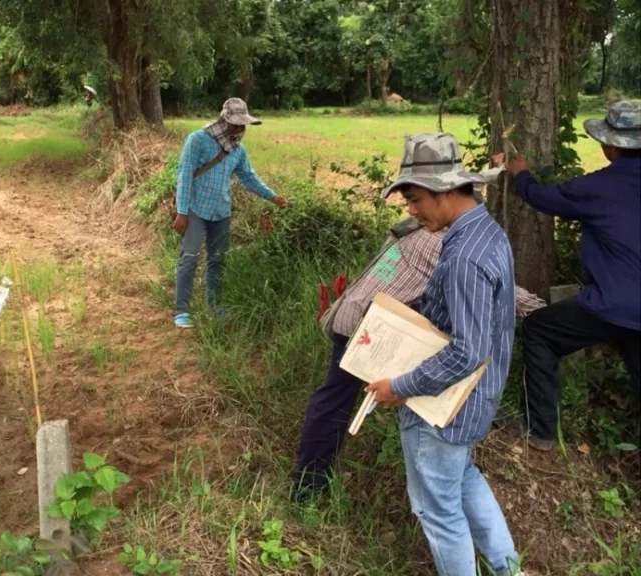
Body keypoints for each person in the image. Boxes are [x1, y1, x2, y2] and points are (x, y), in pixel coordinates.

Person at [294, 214, 546, 495]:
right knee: (347, 399)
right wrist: (542, 312)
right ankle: (310, 485)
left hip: (358, 313)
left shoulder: (416, 228)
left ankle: (309, 481)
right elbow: (498, 287)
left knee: (336, 397)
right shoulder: (437, 243)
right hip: (369, 326)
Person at [364, 133, 521, 575]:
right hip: (476, 401)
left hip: (444, 408)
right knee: (463, 478)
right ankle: (509, 568)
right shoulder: (485, 232)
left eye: (414, 199)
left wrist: (399, 386)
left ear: (445, 191)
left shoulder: (463, 257)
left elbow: (467, 350)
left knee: (438, 510)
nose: (410, 210)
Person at [495, 100, 641, 451]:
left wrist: (521, 174)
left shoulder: (598, 188)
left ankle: (541, 431)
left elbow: (543, 197)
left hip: (617, 303)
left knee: (539, 329)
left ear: (610, 146)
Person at [173, 97, 288, 328]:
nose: (239, 129)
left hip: (221, 212)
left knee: (218, 260)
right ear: (224, 120)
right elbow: (185, 175)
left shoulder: (237, 149)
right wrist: (181, 211)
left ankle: (215, 306)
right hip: (195, 209)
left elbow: (248, 177)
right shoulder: (197, 141)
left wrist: (273, 197)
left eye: (242, 125)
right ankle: (182, 311)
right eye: (235, 124)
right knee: (190, 257)